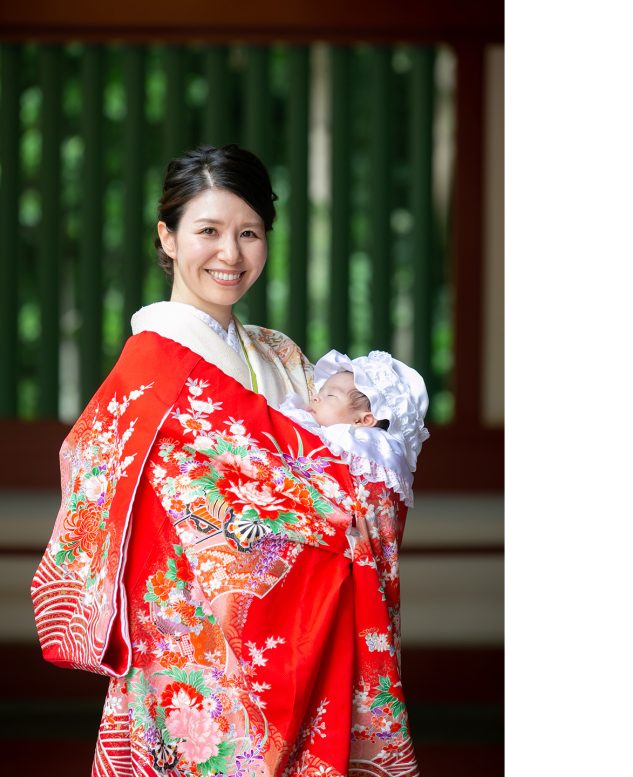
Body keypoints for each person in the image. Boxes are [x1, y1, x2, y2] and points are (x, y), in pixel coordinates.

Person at [31, 144, 421, 777]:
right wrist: (326, 497)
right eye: (208, 231)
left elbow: (351, 474)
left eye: (249, 233)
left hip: (301, 633)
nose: (230, 254)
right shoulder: (152, 369)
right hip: (191, 648)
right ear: (168, 236)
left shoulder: (279, 352)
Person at [279, 349, 430, 509]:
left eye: (330, 396)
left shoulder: (358, 443)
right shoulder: (314, 424)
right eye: (320, 392)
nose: (315, 398)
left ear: (364, 420)